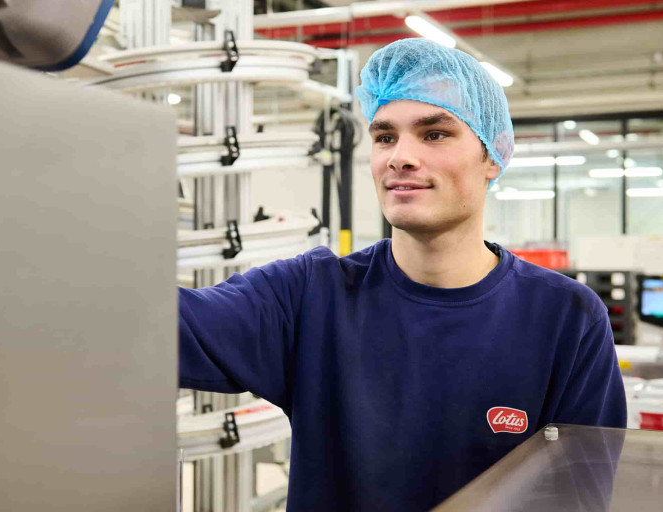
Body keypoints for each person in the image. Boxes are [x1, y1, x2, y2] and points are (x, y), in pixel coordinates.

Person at [178, 38, 626, 511]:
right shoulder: (311, 296)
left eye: (434, 134)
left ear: (492, 156)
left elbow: (583, 496)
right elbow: (162, 327)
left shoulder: (566, 318)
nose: (400, 157)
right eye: (385, 137)